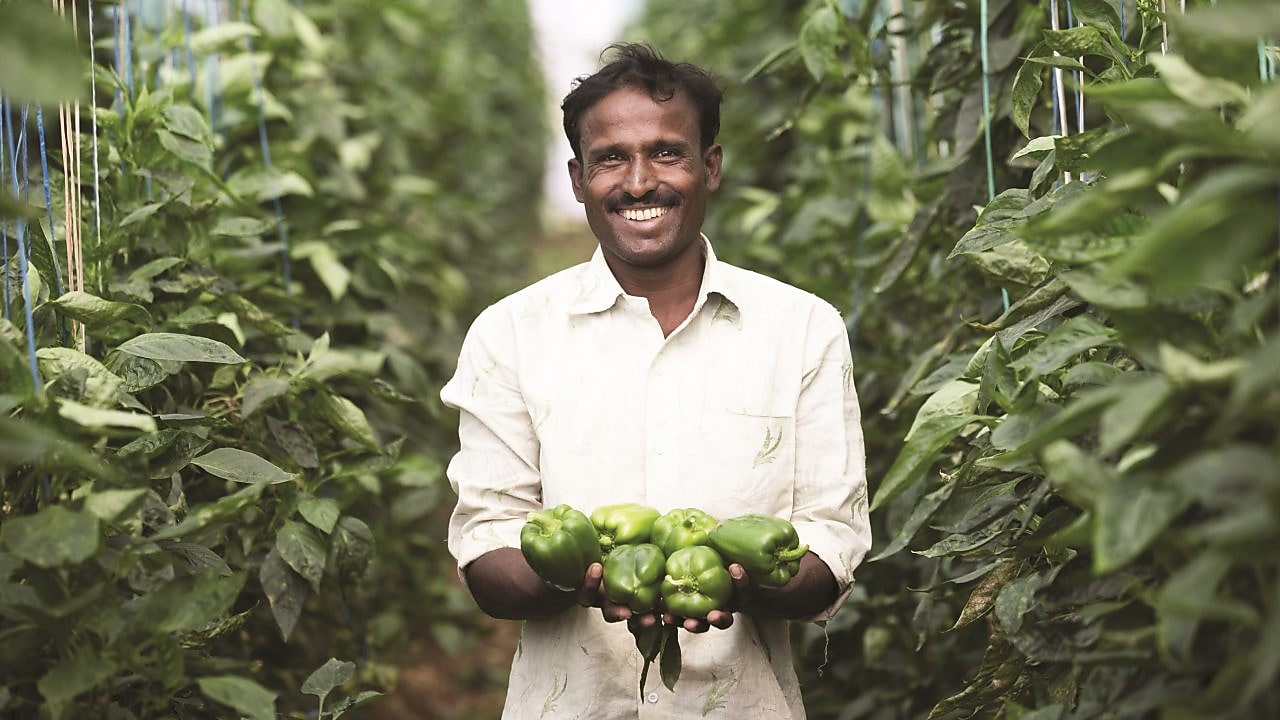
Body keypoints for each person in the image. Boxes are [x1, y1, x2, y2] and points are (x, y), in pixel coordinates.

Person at [441, 42, 871, 719]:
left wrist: (740, 584)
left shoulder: (800, 329)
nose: (639, 181)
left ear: (711, 166)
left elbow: (830, 542)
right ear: (579, 179)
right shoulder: (511, 333)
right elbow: (488, 553)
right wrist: (578, 577)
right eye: (612, 158)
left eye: (667, 152)